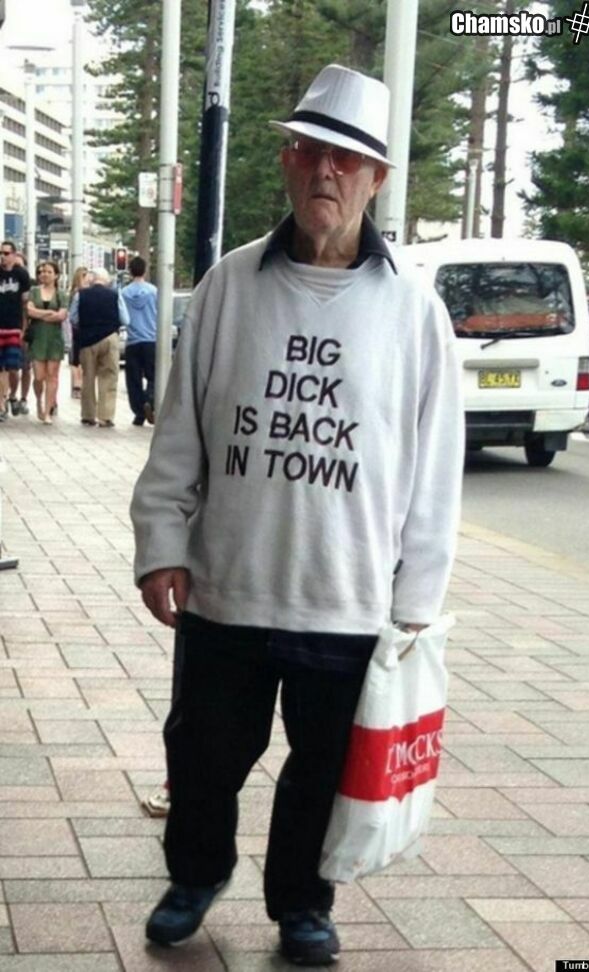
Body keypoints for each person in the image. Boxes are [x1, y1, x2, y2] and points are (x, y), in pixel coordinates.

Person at [130, 64, 464, 967]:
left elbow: (435, 469)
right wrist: (161, 541)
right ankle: (195, 875)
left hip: (347, 600)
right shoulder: (230, 285)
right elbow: (182, 430)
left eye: (347, 160)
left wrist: (416, 601)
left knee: (320, 769)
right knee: (204, 755)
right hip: (228, 586)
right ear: (285, 159)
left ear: (377, 178)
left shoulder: (414, 312)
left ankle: (302, 903)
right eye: (310, 150)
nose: (326, 170)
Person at [69, 267, 129, 427]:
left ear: (91, 279)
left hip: (87, 340)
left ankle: (88, 415)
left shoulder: (80, 294)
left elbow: (73, 318)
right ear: (106, 280)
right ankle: (106, 416)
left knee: (88, 377)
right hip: (110, 337)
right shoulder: (115, 294)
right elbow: (125, 319)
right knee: (109, 376)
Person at [25, 261, 69, 425]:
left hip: (54, 339)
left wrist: (41, 314)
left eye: (49, 272)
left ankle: (48, 409)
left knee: (52, 375)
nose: (45, 274)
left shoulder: (61, 294)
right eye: (43, 271)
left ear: (56, 275)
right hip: (38, 338)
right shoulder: (34, 292)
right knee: (39, 376)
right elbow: (30, 311)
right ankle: (38, 400)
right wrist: (49, 312)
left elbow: (61, 315)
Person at [121, 255, 157, 425]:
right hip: (151, 339)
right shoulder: (154, 291)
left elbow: (122, 315)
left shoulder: (124, 293)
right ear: (145, 270)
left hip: (133, 340)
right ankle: (150, 399)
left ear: (130, 271)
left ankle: (139, 411)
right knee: (153, 376)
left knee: (133, 379)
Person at [0, 241, 30, 422]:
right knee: (1, 368)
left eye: (6, 253)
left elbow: (25, 304)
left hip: (14, 326)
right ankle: (1, 404)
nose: (3, 256)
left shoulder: (21, 274)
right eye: (1, 253)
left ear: (13, 254)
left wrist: (23, 328)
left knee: (13, 368)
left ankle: (12, 395)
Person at [68, 266, 89, 398]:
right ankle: (78, 385)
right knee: (78, 359)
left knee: (77, 359)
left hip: (77, 329)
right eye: (84, 276)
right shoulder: (78, 293)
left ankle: (77, 386)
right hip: (79, 329)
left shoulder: (75, 293)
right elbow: (72, 315)